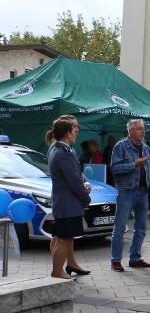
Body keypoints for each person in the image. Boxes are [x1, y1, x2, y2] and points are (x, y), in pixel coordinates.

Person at [45, 115, 91, 277]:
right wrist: (86, 199)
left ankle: (62, 269)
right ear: (68, 133)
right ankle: (57, 271)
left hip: (63, 203)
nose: (76, 132)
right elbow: (74, 182)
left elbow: (74, 175)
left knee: (64, 238)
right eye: (74, 129)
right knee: (64, 239)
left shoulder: (58, 148)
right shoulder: (64, 152)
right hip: (68, 203)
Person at [109, 119, 150, 272]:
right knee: (120, 227)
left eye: (143, 129)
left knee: (141, 228)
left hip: (143, 192)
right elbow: (115, 168)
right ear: (130, 131)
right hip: (126, 191)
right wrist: (134, 164)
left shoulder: (147, 149)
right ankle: (116, 260)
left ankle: (135, 258)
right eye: (139, 129)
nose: (142, 132)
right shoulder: (121, 147)